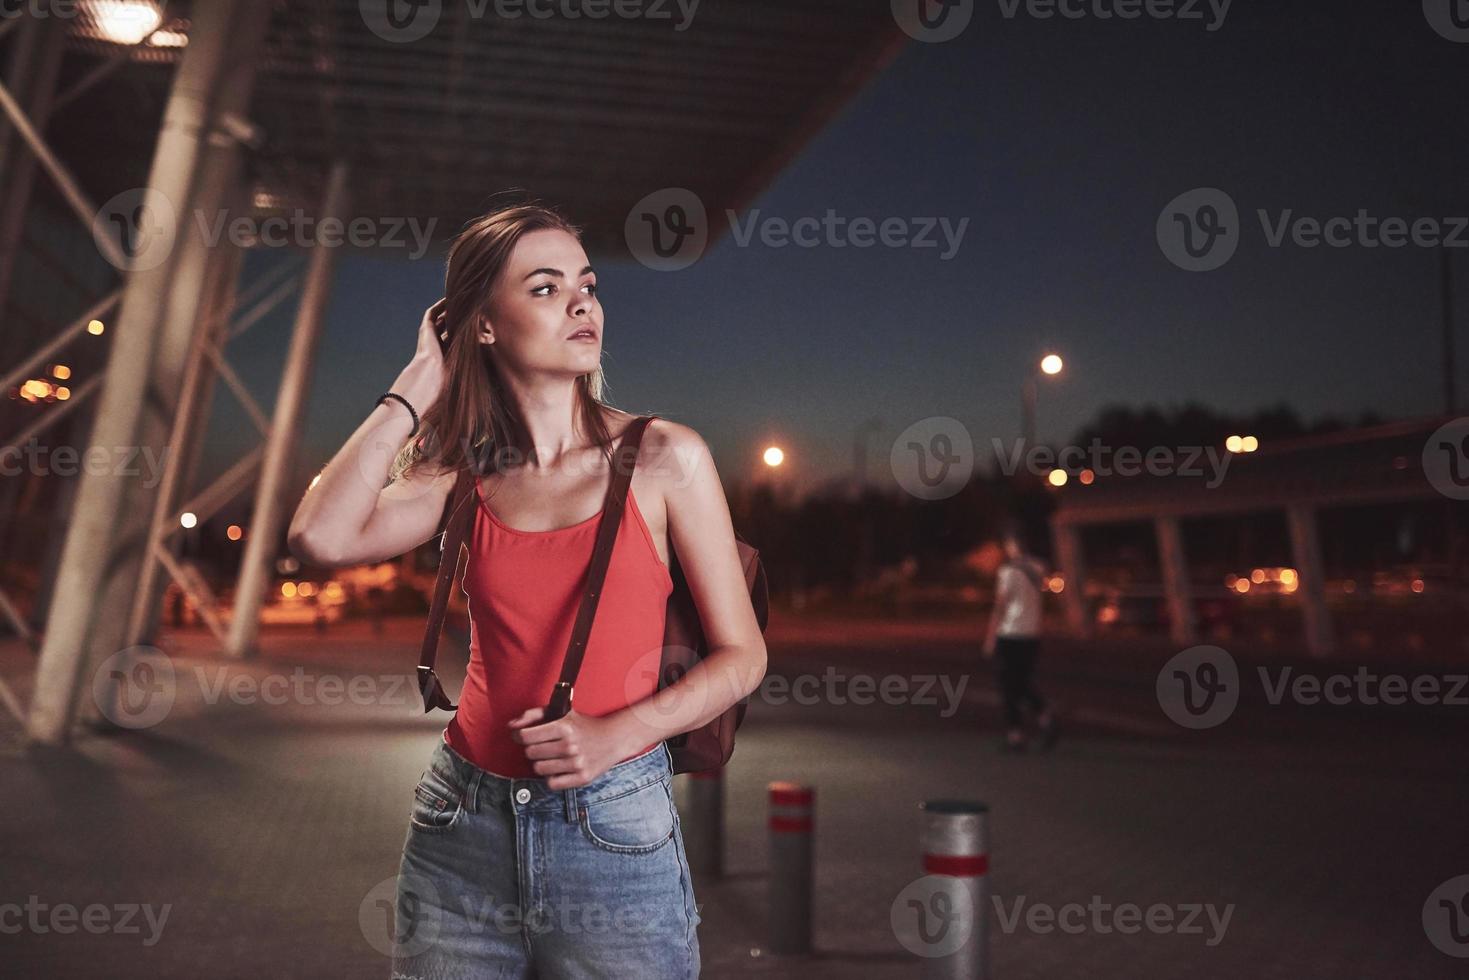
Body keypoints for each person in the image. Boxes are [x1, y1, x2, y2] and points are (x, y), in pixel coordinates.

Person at [286, 196, 767, 978]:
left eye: (585, 284)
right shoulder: (460, 474)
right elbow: (322, 534)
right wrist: (416, 385)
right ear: (481, 323)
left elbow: (742, 656)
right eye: (544, 288)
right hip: (457, 828)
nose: (580, 302)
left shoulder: (664, 456)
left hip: (612, 828)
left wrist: (621, 733)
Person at [982, 521, 1057, 752]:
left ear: (1012, 544)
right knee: (1023, 681)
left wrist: (990, 638)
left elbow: (1000, 606)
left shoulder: (1008, 571)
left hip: (1011, 633)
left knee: (1008, 686)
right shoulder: (1039, 567)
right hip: (1032, 633)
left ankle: (1016, 735)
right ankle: (1045, 718)